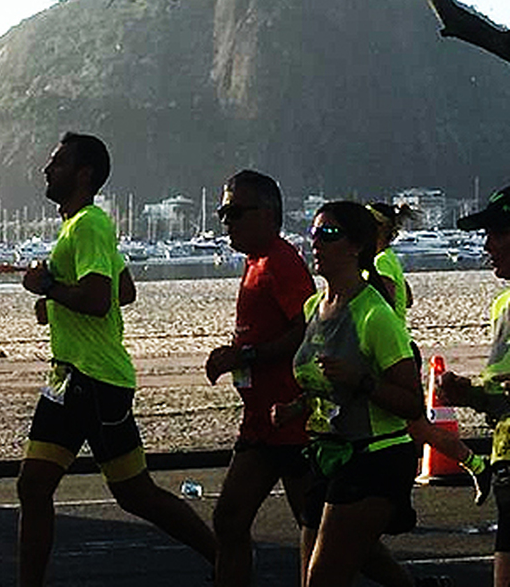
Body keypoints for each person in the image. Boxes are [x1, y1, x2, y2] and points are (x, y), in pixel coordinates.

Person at [17, 132, 216, 586]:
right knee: (109, 491)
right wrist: (56, 303)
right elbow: (124, 289)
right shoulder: (84, 226)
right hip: (80, 377)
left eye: (58, 162)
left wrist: (47, 288)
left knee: (110, 492)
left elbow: (98, 297)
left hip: (91, 379)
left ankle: (225, 559)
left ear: (83, 173)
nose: (47, 170)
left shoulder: (87, 224)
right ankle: (223, 559)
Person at [274, 201, 425, 587]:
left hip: (377, 456)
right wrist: (297, 407)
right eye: (312, 236)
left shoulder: (375, 315)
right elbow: (325, 384)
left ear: (356, 246)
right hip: (328, 455)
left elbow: (413, 403)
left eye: (328, 235)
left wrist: (363, 381)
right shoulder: (314, 307)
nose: (316, 245)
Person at [205, 170, 315, 587]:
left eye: (235, 213)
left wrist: (246, 354)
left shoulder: (281, 262)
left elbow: (306, 329)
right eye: (223, 213)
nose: (226, 222)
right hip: (261, 422)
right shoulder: (257, 263)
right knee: (230, 519)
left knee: (323, 527)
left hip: (291, 421)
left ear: (268, 215)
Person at [367, 201, 490, 504]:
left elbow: (387, 299)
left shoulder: (379, 262)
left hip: (390, 354)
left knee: (409, 428)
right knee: (411, 428)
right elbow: (407, 298)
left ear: (376, 230)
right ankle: (475, 465)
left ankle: (391, 501)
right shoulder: (388, 259)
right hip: (396, 349)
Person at [440, 184, 510, 587]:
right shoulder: (503, 306)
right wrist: (469, 394)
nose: (488, 244)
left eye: (500, 233)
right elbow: (500, 393)